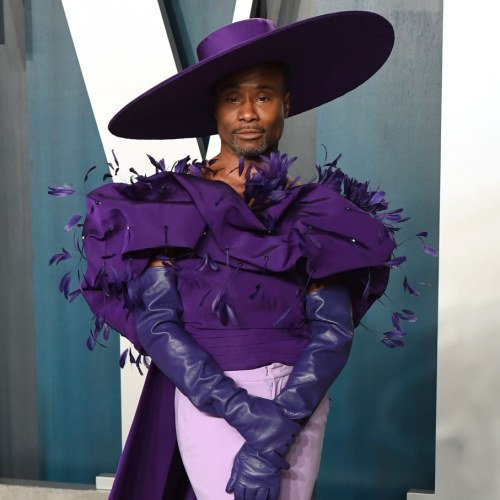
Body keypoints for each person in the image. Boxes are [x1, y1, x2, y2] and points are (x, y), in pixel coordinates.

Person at [76, 12, 398, 500]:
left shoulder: (317, 211)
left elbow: (331, 329)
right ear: (216, 111)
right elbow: (160, 325)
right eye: (233, 98)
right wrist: (244, 413)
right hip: (211, 404)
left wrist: (278, 427)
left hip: (299, 405)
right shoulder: (168, 203)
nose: (248, 113)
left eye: (263, 96)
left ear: (286, 105)